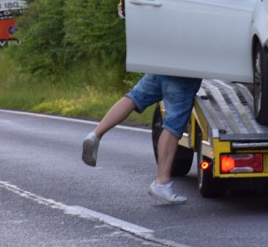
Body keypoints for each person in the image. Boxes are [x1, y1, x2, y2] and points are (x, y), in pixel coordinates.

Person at [81, 73, 202, 205]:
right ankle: (162, 182)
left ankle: (96, 134)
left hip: (161, 63)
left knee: (134, 97)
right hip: (183, 71)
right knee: (173, 124)